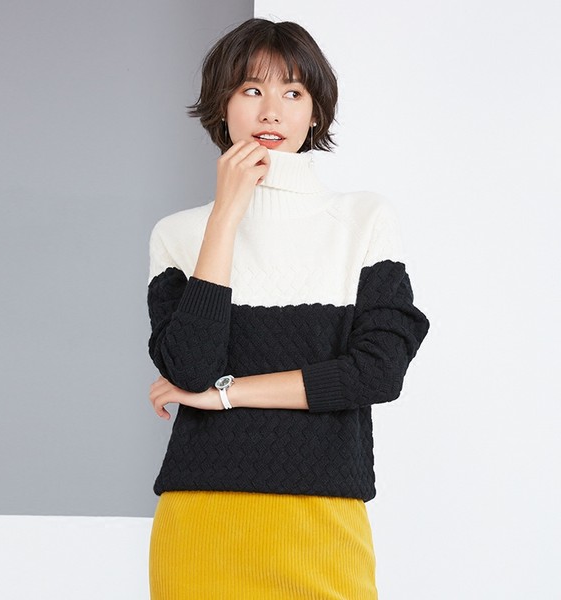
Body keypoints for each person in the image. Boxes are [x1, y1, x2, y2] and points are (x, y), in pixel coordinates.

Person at [146, 17, 430, 600]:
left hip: (322, 516)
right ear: (222, 105)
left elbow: (378, 372)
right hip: (202, 518)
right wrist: (225, 216)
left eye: (293, 92)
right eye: (252, 89)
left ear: (316, 111)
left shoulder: (363, 220)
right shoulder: (178, 234)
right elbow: (191, 368)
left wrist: (227, 395)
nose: (271, 111)